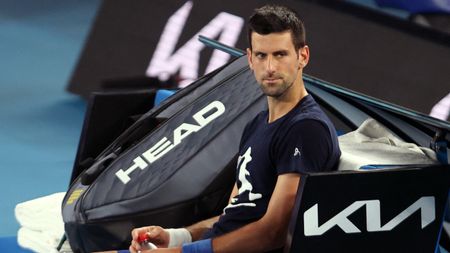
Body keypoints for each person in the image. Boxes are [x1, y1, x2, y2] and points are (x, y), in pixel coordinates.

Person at [106, 4, 341, 253]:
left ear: (302, 56)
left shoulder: (305, 129)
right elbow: (233, 214)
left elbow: (274, 232)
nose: (270, 67)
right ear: (250, 59)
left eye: (280, 54)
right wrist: (176, 237)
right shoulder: (257, 124)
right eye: (262, 56)